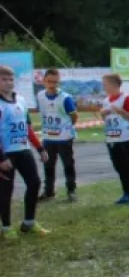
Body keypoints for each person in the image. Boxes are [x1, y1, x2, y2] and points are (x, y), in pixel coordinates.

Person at [0, 64, 50, 238]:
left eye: (11, 79)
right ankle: (6, 227)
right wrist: (1, 158)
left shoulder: (20, 99)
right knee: (6, 190)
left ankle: (29, 222)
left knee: (34, 183)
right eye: (4, 79)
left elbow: (27, 127)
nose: (8, 82)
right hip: (6, 153)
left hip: (23, 149)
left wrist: (39, 147)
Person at [36, 68, 79, 202]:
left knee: (68, 165)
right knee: (48, 165)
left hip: (64, 138)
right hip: (48, 137)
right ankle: (49, 191)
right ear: (44, 81)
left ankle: (71, 190)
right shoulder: (40, 96)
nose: (52, 85)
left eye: (55, 82)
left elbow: (74, 116)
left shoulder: (65, 98)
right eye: (49, 81)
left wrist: (66, 129)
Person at [100, 73, 129, 204]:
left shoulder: (126, 98)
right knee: (119, 167)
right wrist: (103, 114)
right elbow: (106, 118)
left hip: (124, 138)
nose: (104, 87)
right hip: (111, 137)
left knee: (128, 166)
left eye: (105, 84)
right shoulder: (106, 100)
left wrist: (120, 111)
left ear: (114, 84)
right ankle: (126, 193)